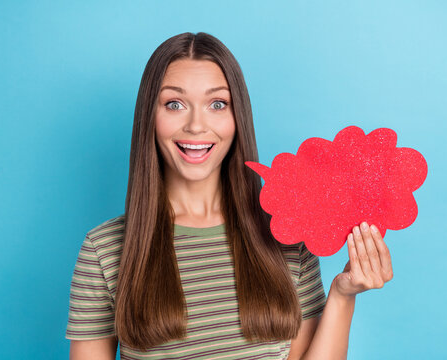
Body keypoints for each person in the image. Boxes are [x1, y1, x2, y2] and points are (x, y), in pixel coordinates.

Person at [65, 32, 393, 360]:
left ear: (238, 118)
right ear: (150, 116)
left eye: (217, 104)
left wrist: (342, 295)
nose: (196, 125)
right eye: (174, 104)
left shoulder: (287, 234)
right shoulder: (104, 250)